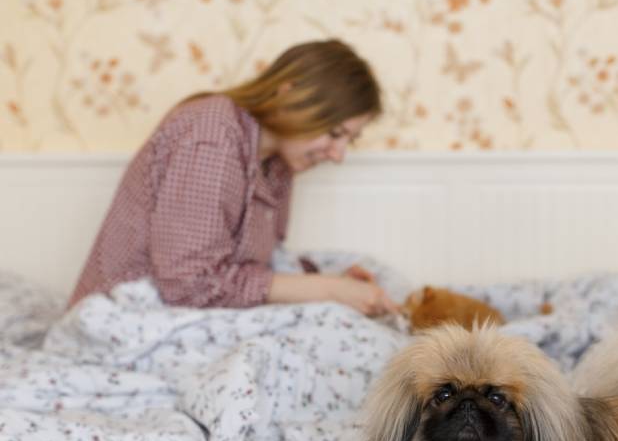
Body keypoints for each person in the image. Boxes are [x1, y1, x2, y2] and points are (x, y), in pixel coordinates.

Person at [68, 39, 398, 317]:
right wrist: (327, 289)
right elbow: (188, 284)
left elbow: (250, 270)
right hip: (127, 313)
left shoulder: (278, 162)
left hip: (187, 311)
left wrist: (333, 283)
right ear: (289, 94)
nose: (338, 156)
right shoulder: (212, 134)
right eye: (334, 133)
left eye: (348, 141)